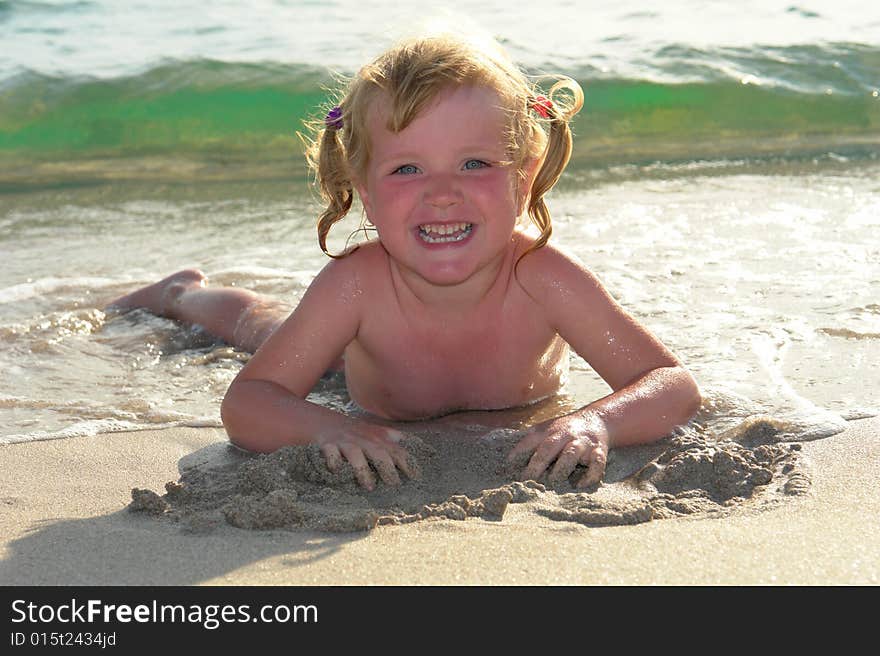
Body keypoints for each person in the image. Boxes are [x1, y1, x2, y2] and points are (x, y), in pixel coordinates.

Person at [110, 32, 701, 491]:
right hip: (358, 384)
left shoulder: (542, 275)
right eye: (407, 169)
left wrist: (595, 421)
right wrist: (330, 427)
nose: (442, 191)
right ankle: (180, 294)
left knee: (285, 333)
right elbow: (247, 404)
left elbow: (671, 385)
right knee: (257, 326)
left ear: (522, 179)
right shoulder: (357, 283)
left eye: (474, 164)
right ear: (365, 190)